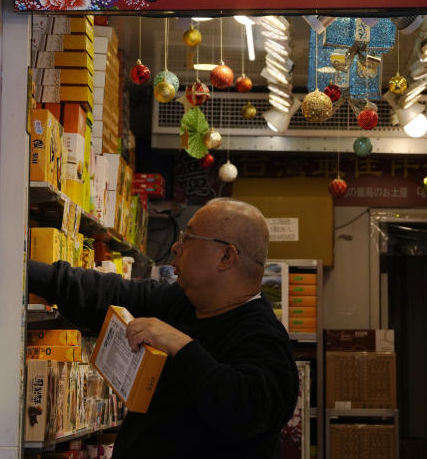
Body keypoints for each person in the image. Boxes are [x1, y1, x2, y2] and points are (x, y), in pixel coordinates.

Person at [27, 197, 299, 459]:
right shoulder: (181, 301)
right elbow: (103, 292)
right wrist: (23, 269)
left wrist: (182, 347)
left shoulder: (264, 338)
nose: (176, 248)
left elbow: (244, 412)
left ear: (226, 257)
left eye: (188, 238)